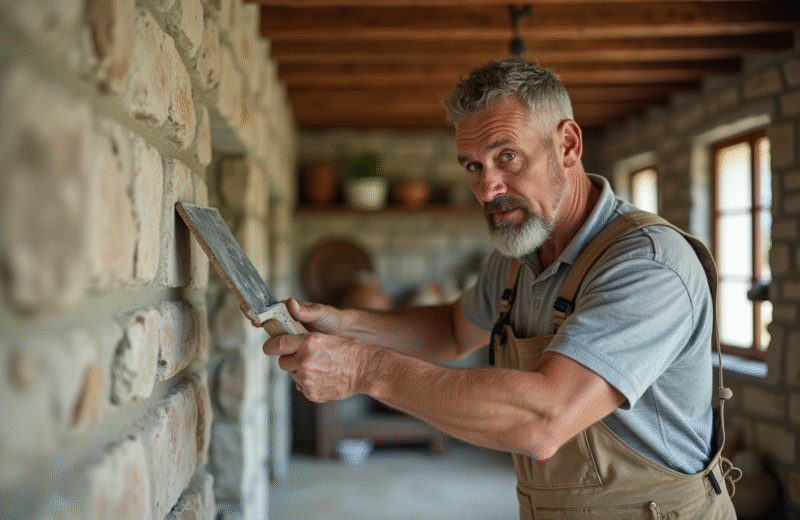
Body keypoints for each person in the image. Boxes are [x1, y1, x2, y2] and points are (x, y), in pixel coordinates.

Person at [261, 58, 738, 519]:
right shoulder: (517, 257)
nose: (487, 189)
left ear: (568, 145)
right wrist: (345, 325)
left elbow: (542, 421)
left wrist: (365, 369)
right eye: (473, 166)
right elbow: (452, 331)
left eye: (506, 157)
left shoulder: (647, 263)